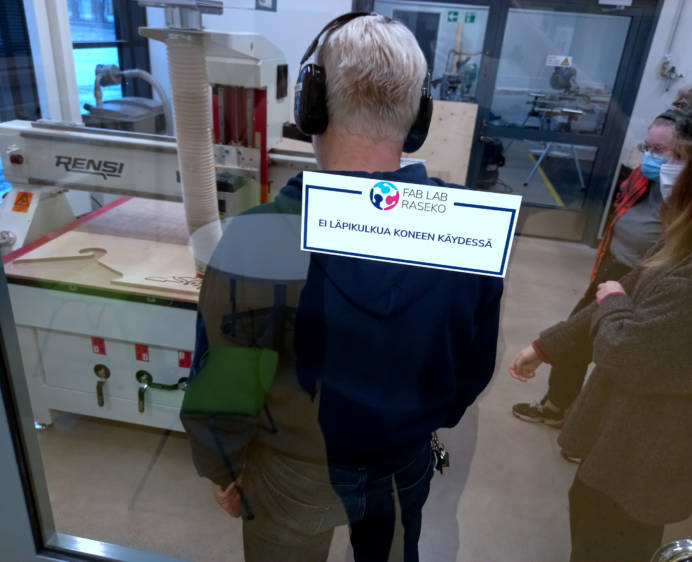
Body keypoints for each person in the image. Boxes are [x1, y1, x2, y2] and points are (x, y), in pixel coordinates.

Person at [190, 12, 503, 562]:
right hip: (404, 462)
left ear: (311, 105)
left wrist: (223, 465)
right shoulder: (470, 232)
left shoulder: (258, 237)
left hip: (293, 469)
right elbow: (472, 369)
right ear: (418, 118)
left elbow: (226, 390)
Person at [509, 100, 692, 562]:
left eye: (677, 158)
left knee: (610, 533)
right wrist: (546, 345)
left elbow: (625, 347)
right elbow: (628, 285)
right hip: (627, 437)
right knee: (589, 508)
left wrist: (612, 304)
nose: (665, 168)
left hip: (653, 451)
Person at [511, 86, 692, 436]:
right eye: (647, 148)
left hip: (643, 281)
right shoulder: (645, 178)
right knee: (579, 338)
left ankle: (586, 431)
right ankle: (559, 406)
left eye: (662, 151)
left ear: (686, 156)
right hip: (615, 268)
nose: (651, 157)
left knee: (608, 353)